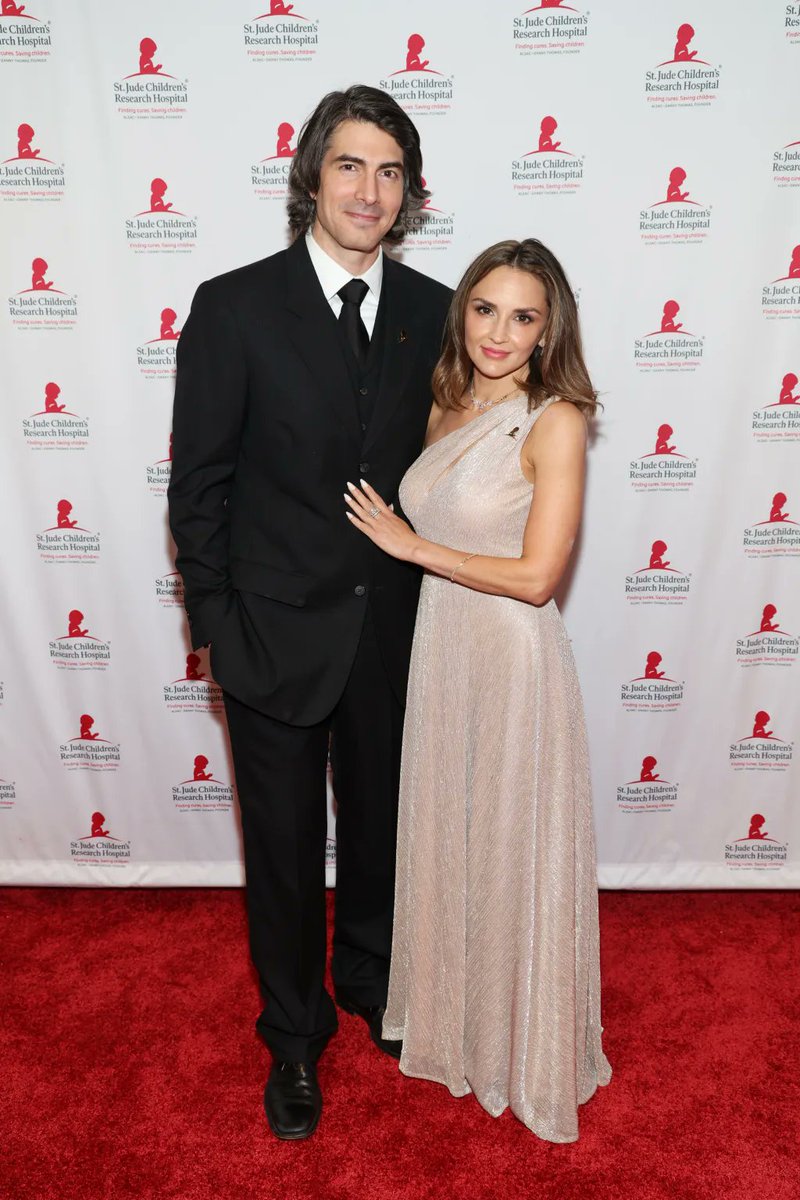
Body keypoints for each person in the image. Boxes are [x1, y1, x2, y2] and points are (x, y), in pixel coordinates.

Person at [167, 85, 451, 1141]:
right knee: (284, 851)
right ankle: (292, 1039)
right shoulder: (234, 305)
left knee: (380, 830)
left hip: (392, 634)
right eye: (348, 165)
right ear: (311, 179)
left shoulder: (434, 308)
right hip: (271, 636)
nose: (367, 190)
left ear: (407, 193)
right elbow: (198, 483)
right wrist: (215, 625)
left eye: (388, 171)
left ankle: (368, 989)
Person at [344, 238, 610, 1142]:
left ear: (548, 330)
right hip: (443, 649)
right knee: (451, 833)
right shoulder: (448, 400)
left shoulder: (556, 418)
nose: (500, 332)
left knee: (505, 841)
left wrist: (414, 549)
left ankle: (522, 1044)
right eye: (486, 308)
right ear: (463, 312)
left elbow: (538, 577)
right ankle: (457, 1022)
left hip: (509, 654)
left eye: (524, 316)